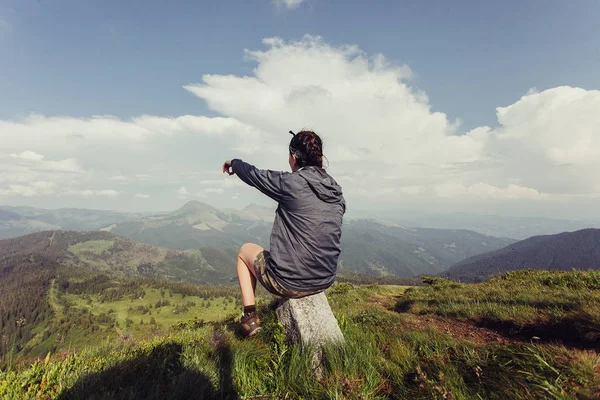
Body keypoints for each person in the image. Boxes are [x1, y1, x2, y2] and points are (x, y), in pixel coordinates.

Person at [222, 130, 346, 337]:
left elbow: (255, 175)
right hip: (325, 278)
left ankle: (250, 318)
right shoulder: (336, 190)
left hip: (289, 281)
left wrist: (234, 163)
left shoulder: (291, 183)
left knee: (244, 252)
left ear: (294, 157)